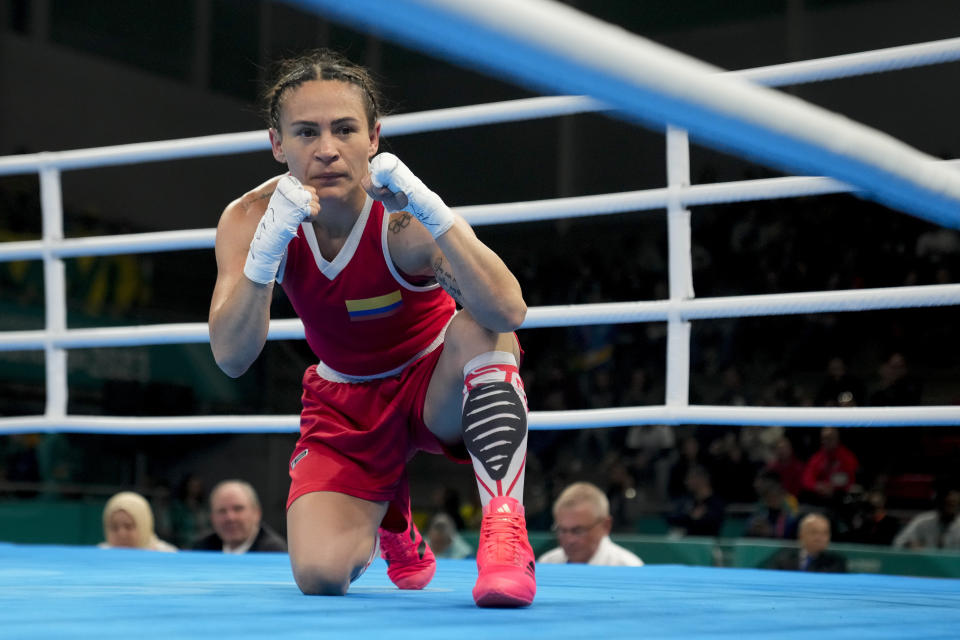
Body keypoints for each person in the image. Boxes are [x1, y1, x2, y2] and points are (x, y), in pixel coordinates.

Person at [208, 49, 535, 607]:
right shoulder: (248, 218)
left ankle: (506, 533)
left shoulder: (405, 217)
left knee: (482, 329)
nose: (328, 149)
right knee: (320, 575)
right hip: (344, 405)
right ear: (277, 143)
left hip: (435, 382)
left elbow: (508, 311)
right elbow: (232, 356)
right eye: (306, 132)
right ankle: (392, 509)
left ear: (374, 136)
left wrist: (435, 210)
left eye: (344, 129)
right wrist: (267, 253)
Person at [538, 481, 643, 566]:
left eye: (578, 531)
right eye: (562, 530)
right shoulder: (547, 563)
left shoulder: (629, 568)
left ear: (606, 526)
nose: (569, 540)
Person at [191, 480, 287, 553]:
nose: (230, 518)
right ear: (212, 518)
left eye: (238, 509)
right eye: (222, 511)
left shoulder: (275, 553)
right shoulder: (201, 549)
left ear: (257, 513)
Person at [765, 513, 847, 573]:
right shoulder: (783, 559)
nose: (819, 538)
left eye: (825, 533)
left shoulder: (835, 563)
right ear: (801, 535)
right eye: (814, 532)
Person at [99, 491, 177, 552]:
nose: (122, 534)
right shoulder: (99, 555)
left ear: (144, 527)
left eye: (128, 526)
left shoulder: (167, 555)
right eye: (114, 528)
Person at [799, 427, 859, 506]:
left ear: (837, 439)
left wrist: (834, 488)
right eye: (824, 439)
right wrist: (817, 486)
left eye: (830, 438)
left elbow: (851, 480)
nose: (826, 441)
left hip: (841, 499)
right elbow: (806, 479)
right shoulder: (817, 458)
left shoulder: (847, 457)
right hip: (819, 500)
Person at [892, 487, 960, 550]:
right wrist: (908, 544)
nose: (949, 509)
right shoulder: (922, 520)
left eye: (953, 504)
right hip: (925, 561)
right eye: (947, 503)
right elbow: (898, 542)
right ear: (939, 503)